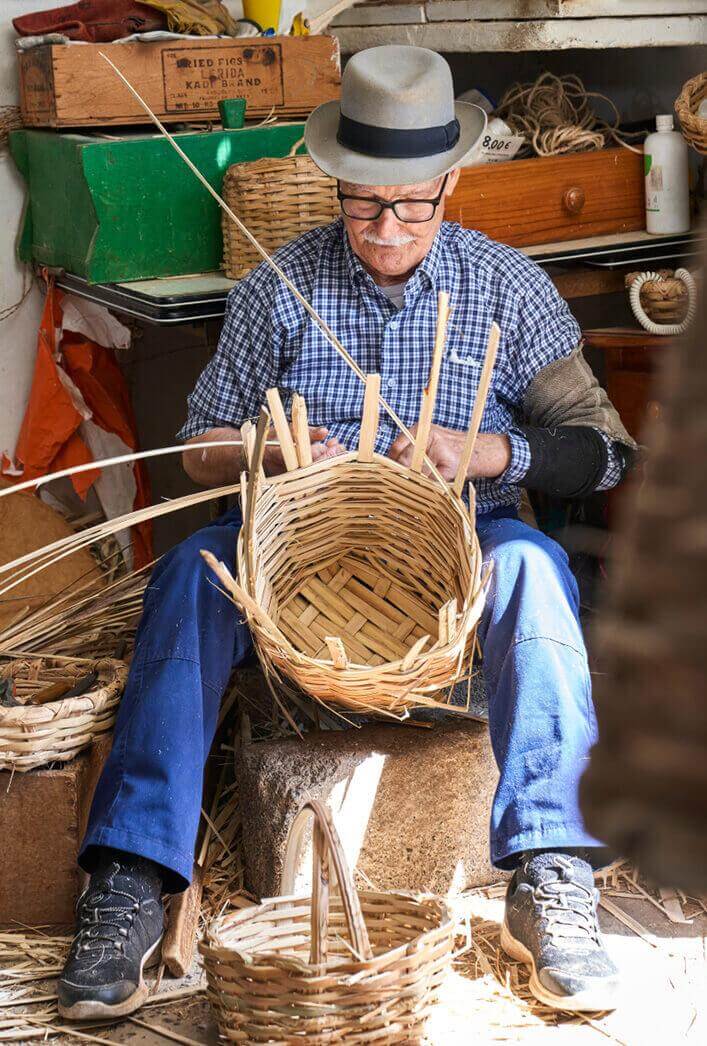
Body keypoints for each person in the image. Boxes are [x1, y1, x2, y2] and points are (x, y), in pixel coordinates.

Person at [58, 45, 636, 1019]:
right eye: (363, 202)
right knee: (196, 568)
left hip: (463, 562)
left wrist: (484, 453)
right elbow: (198, 447)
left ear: (449, 178)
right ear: (333, 179)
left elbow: (605, 449)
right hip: (297, 576)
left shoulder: (503, 286)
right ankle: (129, 874)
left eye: (412, 203)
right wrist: (270, 455)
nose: (385, 228)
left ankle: (549, 871)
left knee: (534, 566)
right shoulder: (275, 289)